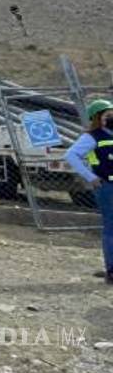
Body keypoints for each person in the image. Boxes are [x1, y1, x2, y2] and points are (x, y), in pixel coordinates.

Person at [64, 99, 113, 284]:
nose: (111, 117)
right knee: (111, 228)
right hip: (107, 187)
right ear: (97, 118)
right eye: (107, 115)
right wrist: (90, 176)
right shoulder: (92, 137)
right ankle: (111, 270)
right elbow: (70, 155)